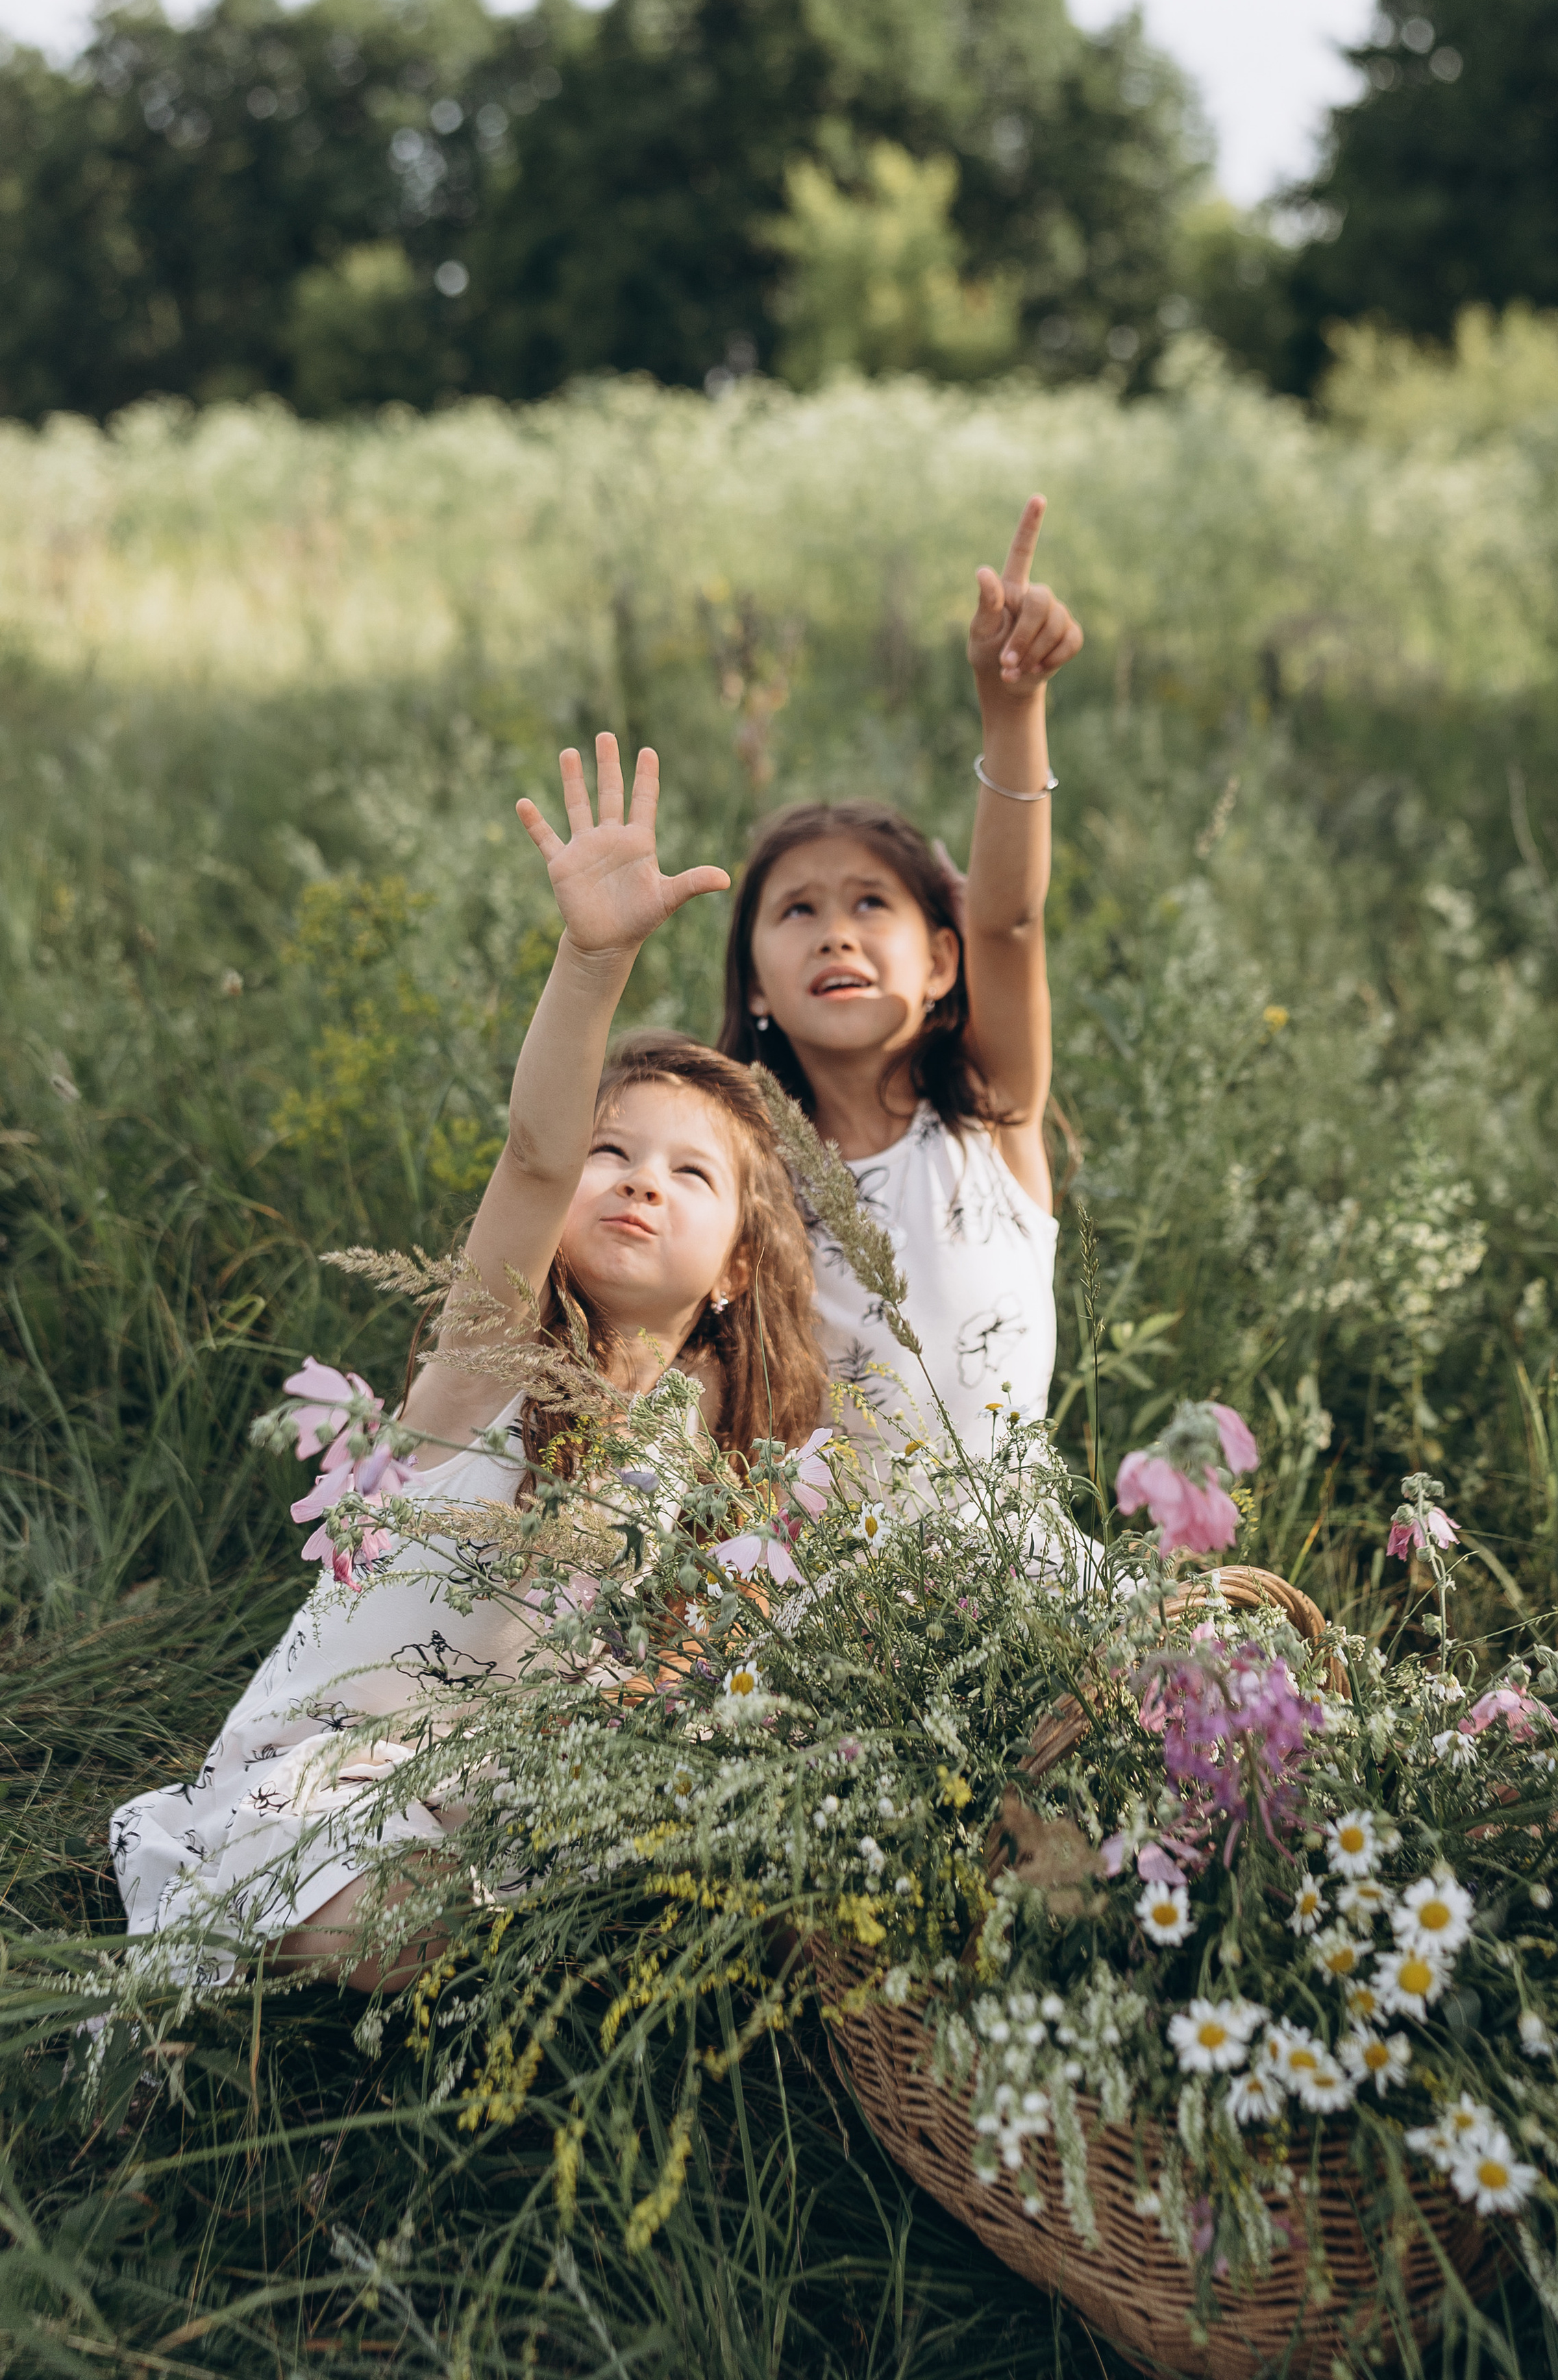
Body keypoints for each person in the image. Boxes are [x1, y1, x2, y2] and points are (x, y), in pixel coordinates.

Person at [112, 737, 824, 1990]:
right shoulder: (491, 1362)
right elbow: (536, 1155)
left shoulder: (712, 1466)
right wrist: (593, 961)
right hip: (328, 1778)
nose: (640, 1180)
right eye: (620, 1153)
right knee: (400, 1929)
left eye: (690, 1174)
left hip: (504, 1803)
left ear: (734, 1277)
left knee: (607, 1905)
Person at [718, 496, 1082, 1458]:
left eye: (871, 905)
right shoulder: (745, 1179)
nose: (836, 934)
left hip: (1019, 1580)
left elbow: (1009, 917)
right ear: (755, 986)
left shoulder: (991, 1117)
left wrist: (1013, 706)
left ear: (942, 961)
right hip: (831, 1593)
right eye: (798, 911)